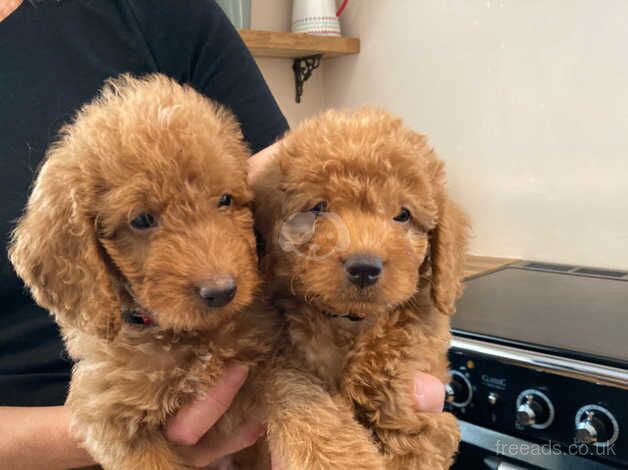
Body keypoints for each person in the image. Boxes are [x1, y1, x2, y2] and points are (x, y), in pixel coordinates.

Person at [0, 1, 446, 468]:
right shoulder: (104, 333)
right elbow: (111, 417)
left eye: (225, 202)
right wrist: (135, 431)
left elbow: (292, 189)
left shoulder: (151, 12)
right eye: (144, 221)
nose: (217, 273)